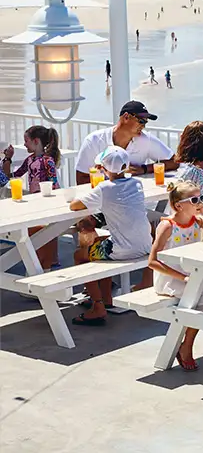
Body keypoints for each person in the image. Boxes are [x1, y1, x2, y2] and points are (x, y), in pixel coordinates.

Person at [149, 180, 203, 370]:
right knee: (196, 298)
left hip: (193, 274)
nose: (200, 203)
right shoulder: (167, 226)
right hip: (171, 278)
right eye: (195, 200)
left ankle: (194, 341)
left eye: (201, 198)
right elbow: (152, 261)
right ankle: (186, 345)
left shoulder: (197, 221)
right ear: (179, 205)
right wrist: (182, 278)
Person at [69, 147, 156, 325]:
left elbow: (75, 206)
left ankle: (98, 306)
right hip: (146, 245)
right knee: (99, 243)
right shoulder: (137, 184)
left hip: (123, 250)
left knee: (79, 255)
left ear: (102, 167)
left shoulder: (103, 188)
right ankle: (106, 297)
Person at [3, 126, 62, 269]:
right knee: (38, 230)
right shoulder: (29, 160)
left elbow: (54, 183)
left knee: (49, 231)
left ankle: (51, 260)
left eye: (26, 141)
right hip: (36, 201)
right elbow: (11, 176)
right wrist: (8, 158)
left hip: (47, 201)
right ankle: (42, 259)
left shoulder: (47, 161)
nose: (24, 144)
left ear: (36, 141)